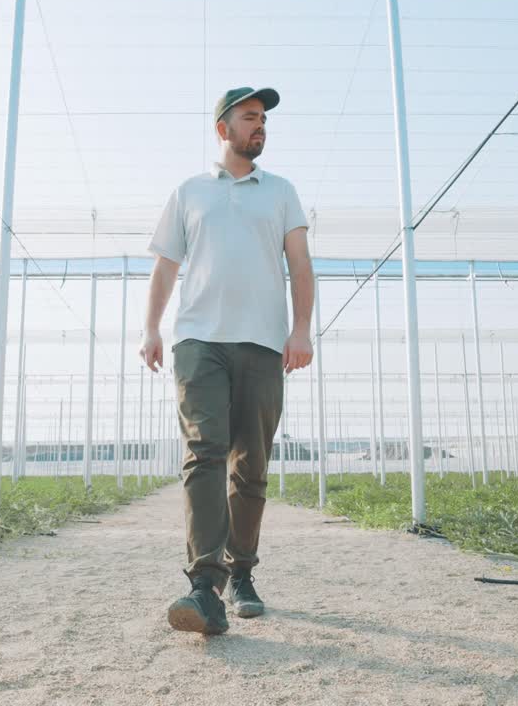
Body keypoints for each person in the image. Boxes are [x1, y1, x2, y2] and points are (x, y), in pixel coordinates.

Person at [138, 86, 315, 635]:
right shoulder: (190, 192)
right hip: (199, 341)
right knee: (204, 453)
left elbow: (301, 267)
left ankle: (243, 573)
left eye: (263, 119)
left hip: (263, 343)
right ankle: (203, 582)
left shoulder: (281, 191)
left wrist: (301, 328)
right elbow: (166, 267)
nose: (259, 126)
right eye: (249, 117)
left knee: (250, 465)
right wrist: (151, 328)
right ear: (223, 129)